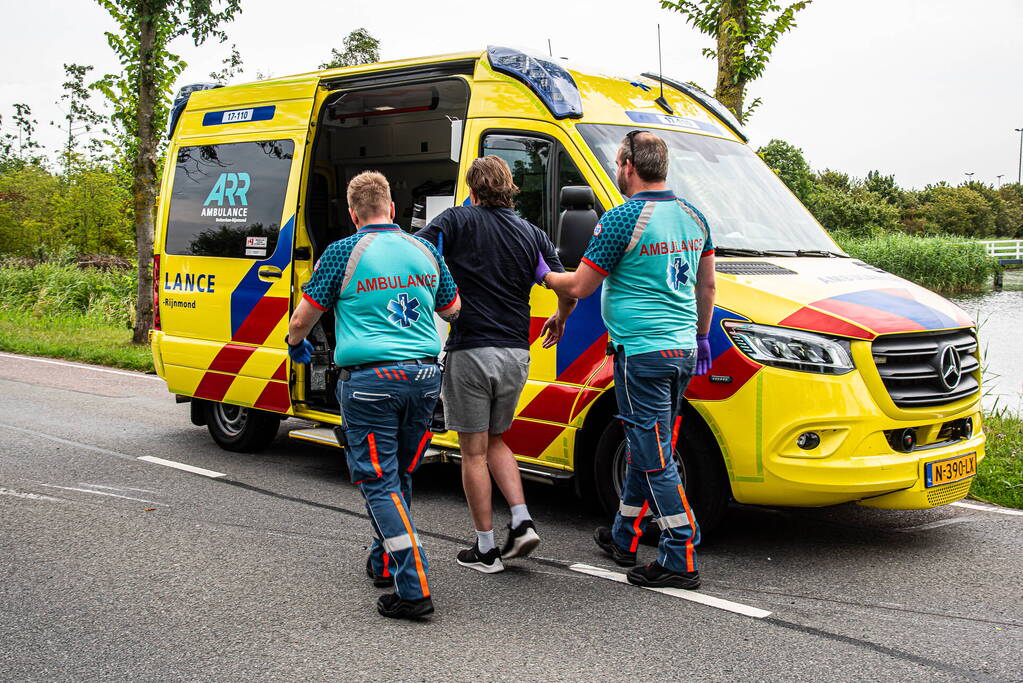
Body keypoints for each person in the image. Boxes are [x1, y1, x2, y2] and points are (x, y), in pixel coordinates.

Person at [541, 130, 716, 590]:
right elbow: (707, 288)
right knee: (648, 444)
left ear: (629, 167)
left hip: (640, 353)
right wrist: (700, 338)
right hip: (681, 352)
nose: (619, 169)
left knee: (654, 456)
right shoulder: (695, 218)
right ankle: (624, 535)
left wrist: (542, 274)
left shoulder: (622, 220)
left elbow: (578, 285)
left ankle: (680, 549)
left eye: (619, 163)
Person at [286, 170, 461, 619]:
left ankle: (413, 583)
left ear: (352, 213)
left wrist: (296, 344)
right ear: (392, 209)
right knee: (398, 474)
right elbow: (453, 308)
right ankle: (383, 559)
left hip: (369, 384)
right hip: (424, 380)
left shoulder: (343, 252)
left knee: (378, 481)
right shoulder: (424, 249)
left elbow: (302, 319)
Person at [416, 156, 577, 573]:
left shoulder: (455, 221)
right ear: (509, 188)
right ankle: (521, 519)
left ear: (472, 188)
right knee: (498, 439)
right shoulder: (531, 233)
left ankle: (486, 550)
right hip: (515, 353)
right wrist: (560, 318)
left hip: (471, 350)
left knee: (472, 451)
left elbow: (416, 253)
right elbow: (566, 288)